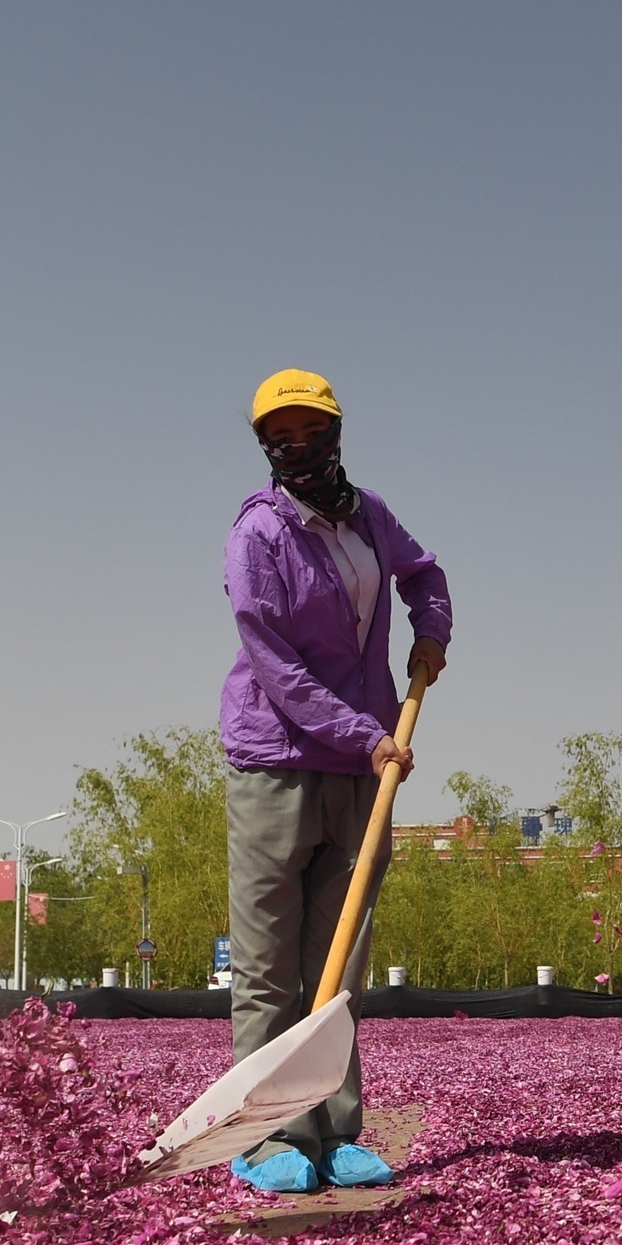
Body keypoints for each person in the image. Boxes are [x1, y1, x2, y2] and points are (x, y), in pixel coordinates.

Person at [220, 369, 451, 1195]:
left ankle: (335, 1129)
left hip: (364, 763)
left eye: (311, 431)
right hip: (279, 761)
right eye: (281, 436)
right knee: (271, 966)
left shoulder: (369, 515)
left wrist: (434, 632)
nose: (299, 447)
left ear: (336, 433)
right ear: (264, 449)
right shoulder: (258, 538)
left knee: (341, 962)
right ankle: (265, 1134)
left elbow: (423, 573)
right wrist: (368, 737)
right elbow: (276, 666)